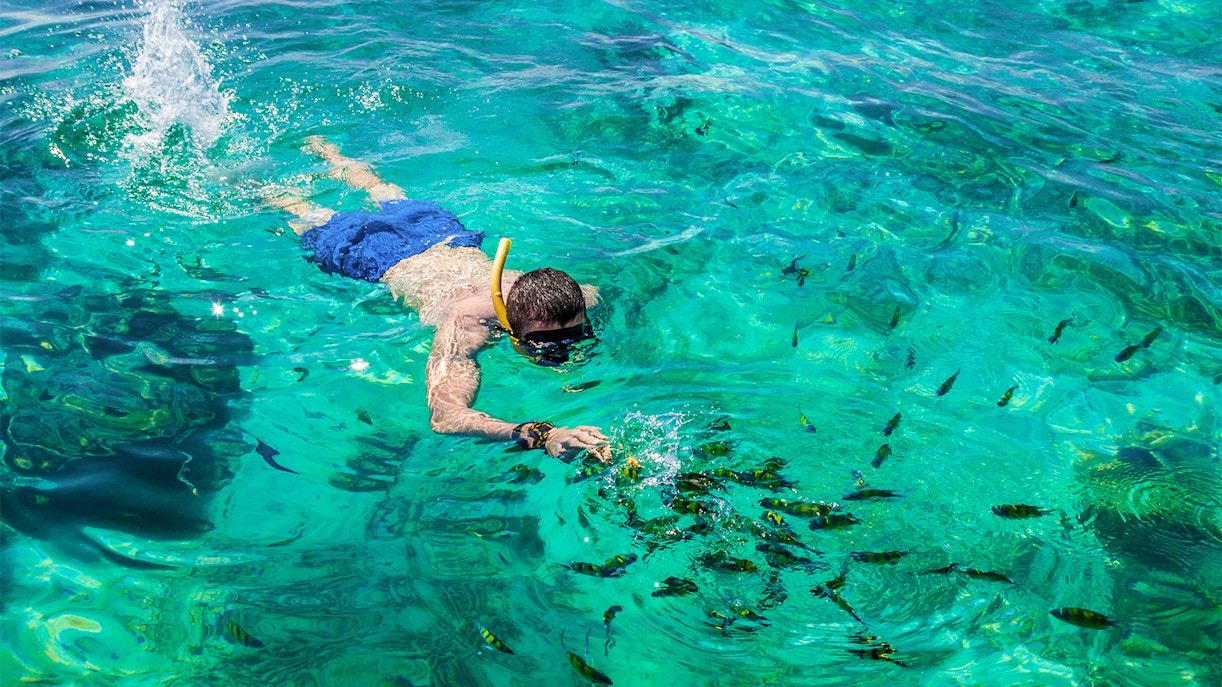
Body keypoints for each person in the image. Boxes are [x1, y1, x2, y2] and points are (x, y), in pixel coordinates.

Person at [265, 137, 610, 461]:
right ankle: (246, 176)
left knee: (382, 190)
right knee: (304, 212)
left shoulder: (574, 297)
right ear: (508, 324)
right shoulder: (466, 325)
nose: (564, 351)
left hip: (445, 236)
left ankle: (327, 150)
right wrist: (541, 434)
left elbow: (596, 293)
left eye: (577, 334)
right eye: (545, 343)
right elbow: (445, 415)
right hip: (381, 255)